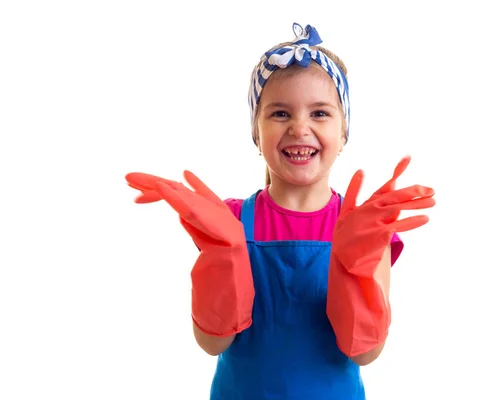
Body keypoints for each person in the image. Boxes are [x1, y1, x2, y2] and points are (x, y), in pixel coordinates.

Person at [126, 22, 436, 400]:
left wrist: (356, 267)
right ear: (256, 133)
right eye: (279, 114)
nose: (299, 127)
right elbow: (212, 343)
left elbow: (367, 352)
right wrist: (224, 256)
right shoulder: (231, 221)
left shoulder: (366, 228)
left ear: (344, 133)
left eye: (320, 113)